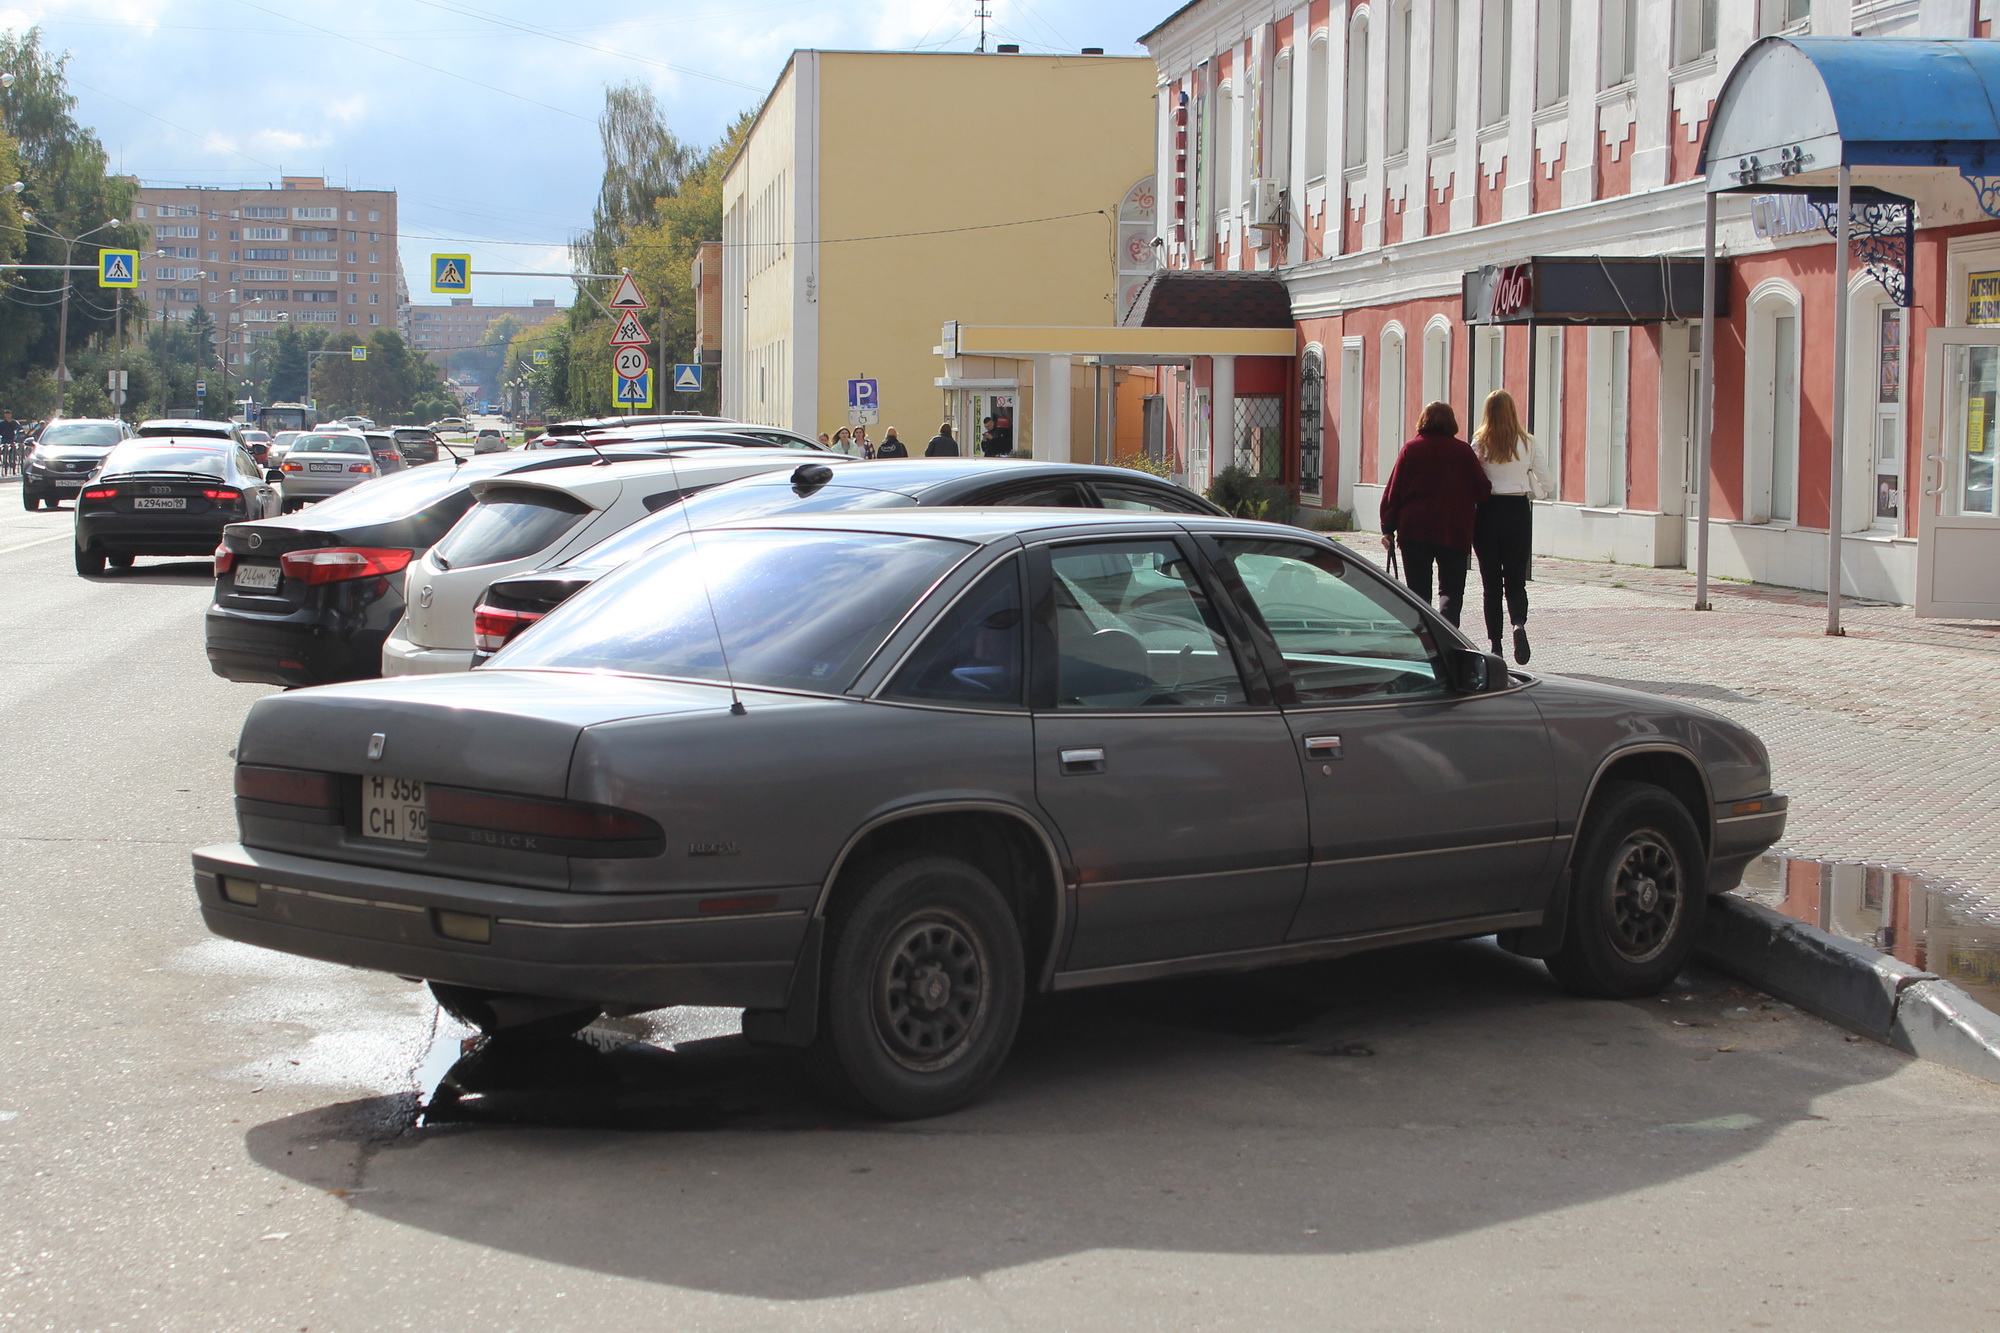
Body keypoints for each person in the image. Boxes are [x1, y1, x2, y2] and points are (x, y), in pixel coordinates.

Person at [1378, 400, 1489, 628]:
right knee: (1451, 589)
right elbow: (1482, 490)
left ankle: (1423, 637)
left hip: (1414, 530)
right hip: (1453, 529)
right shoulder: (1463, 451)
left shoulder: (1411, 449)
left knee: (1418, 591)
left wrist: (1387, 528)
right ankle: (1448, 635)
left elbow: (1394, 490)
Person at [1471, 389, 1551, 665]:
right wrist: (1530, 491)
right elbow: (1548, 483)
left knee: (1490, 584)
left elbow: (1473, 477)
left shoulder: (1480, 442)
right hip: (1517, 511)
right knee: (1515, 579)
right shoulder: (1527, 442)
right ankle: (1518, 623)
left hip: (1488, 512)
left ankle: (1496, 645)